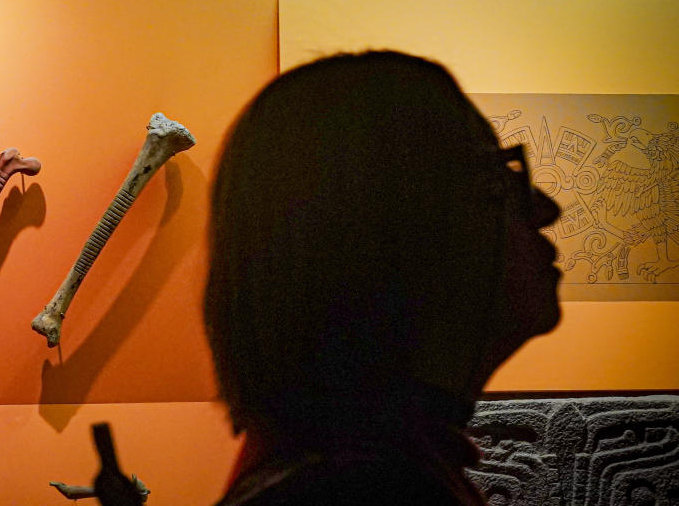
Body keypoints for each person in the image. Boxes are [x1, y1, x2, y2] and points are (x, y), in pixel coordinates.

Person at [203, 51, 562, 506]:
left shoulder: (336, 470)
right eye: (499, 176)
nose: (547, 209)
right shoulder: (365, 491)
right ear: (406, 224)